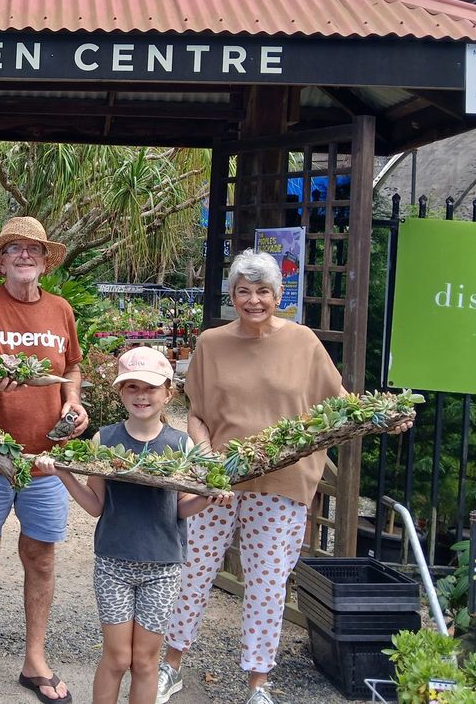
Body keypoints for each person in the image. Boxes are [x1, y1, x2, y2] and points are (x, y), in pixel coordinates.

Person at [157, 249, 412, 704]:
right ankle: (169, 664)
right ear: (231, 294)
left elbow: (341, 407)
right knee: (193, 571)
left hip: (284, 484)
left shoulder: (303, 343)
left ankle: (258, 682)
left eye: (263, 291)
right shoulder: (211, 343)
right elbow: (196, 415)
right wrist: (209, 461)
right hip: (220, 483)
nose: (253, 300)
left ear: (278, 295)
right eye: (243, 291)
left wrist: (385, 417)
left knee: (268, 584)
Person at [0, 217, 88, 704]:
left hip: (47, 458)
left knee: (40, 555)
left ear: (46, 261)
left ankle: (35, 659)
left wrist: (74, 401)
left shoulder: (61, 309)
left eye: (33, 249)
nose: (25, 256)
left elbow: (71, 366)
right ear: (1, 260)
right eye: (14, 250)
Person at [36, 347, 224, 704]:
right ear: (120, 392)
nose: (141, 395)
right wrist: (64, 473)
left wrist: (210, 495)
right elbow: (96, 506)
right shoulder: (104, 439)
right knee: (117, 657)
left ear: (169, 393)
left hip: (163, 566)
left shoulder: (181, 444)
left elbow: (182, 509)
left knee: (145, 661)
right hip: (113, 563)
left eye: (151, 387)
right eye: (132, 387)